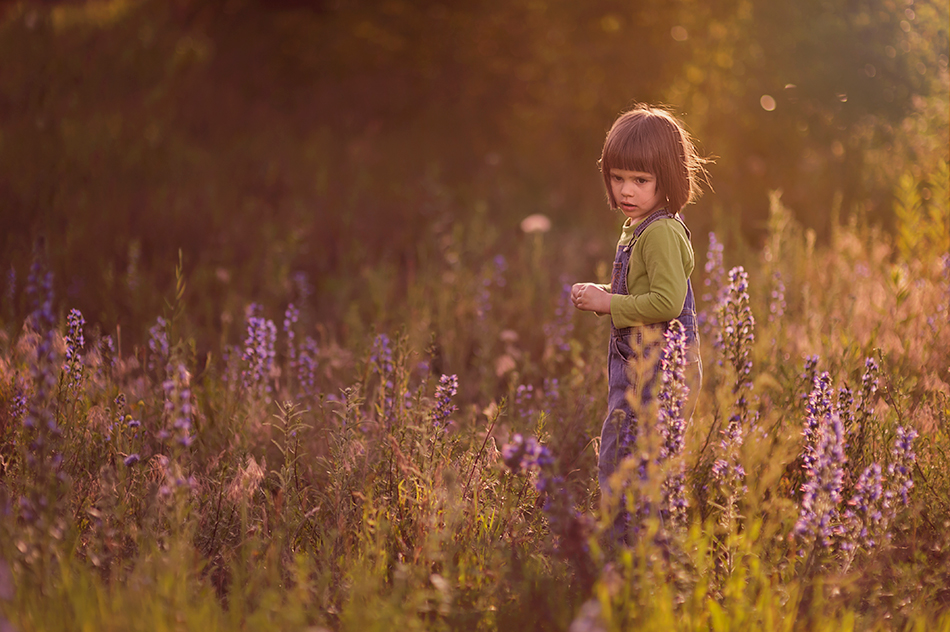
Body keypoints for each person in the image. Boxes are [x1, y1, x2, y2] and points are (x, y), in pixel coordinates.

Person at [571, 104, 707, 499]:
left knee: (630, 468)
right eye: (617, 178)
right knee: (630, 464)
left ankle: (632, 552)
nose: (626, 190)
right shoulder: (640, 227)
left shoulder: (660, 231)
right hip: (638, 368)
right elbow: (645, 290)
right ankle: (634, 550)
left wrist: (609, 303)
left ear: (667, 180)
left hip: (656, 374)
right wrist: (605, 294)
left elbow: (666, 302)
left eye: (640, 179)